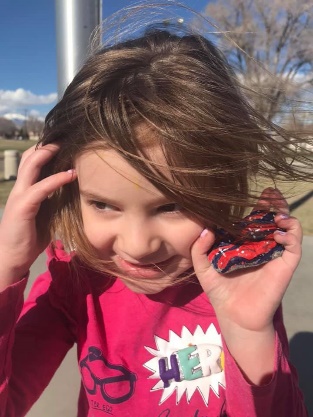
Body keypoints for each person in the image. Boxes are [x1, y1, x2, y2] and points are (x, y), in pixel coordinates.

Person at [0, 8, 312, 417]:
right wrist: (8, 265)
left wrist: (248, 334)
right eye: (102, 204)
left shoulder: (234, 287)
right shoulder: (74, 284)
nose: (138, 245)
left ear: (224, 187)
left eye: (171, 205)